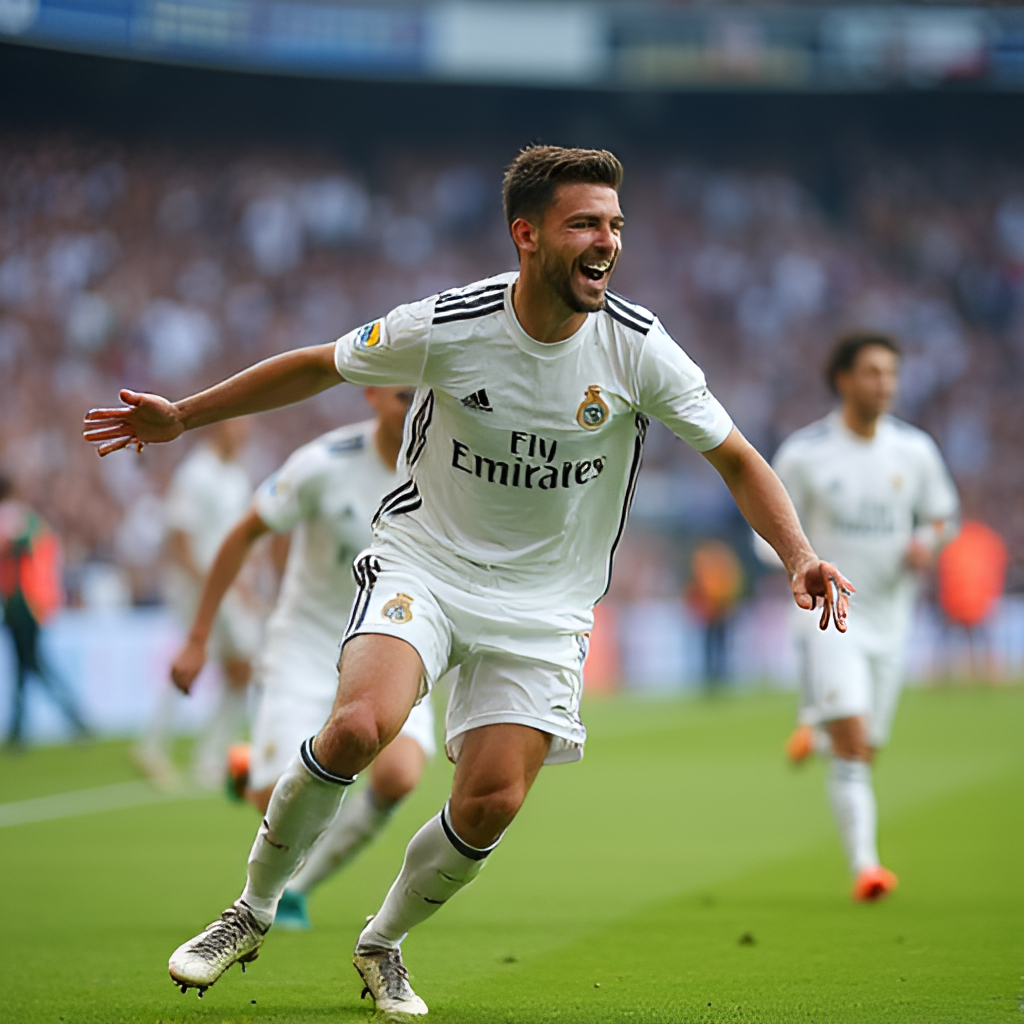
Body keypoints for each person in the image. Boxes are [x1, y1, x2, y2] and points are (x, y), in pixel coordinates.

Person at [84, 145, 851, 1015]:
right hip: (427, 563)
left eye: (616, 226)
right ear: (527, 235)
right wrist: (184, 415)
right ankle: (249, 911)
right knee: (358, 727)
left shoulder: (639, 349)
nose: (608, 242)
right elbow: (317, 364)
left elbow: (738, 458)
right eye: (586, 225)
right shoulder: (449, 323)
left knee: (491, 801)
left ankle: (383, 943)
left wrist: (798, 554)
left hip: (547, 603)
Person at [169, 386, 437, 930]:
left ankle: (296, 888)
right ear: (371, 394)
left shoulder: (449, 471)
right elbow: (245, 533)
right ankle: (253, 773)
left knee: (398, 778)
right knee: (281, 802)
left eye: (422, 397)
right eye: (401, 396)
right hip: (307, 644)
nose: (411, 409)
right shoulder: (324, 463)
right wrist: (198, 637)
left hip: (394, 643)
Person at [762, 332, 958, 902]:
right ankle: (867, 867)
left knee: (864, 748)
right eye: (873, 372)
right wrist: (797, 567)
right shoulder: (805, 453)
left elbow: (945, 517)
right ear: (843, 378)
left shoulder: (915, 451)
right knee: (854, 742)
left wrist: (927, 539)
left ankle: (816, 728)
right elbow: (769, 528)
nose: (885, 384)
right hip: (831, 618)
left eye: (891, 373)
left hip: (892, 623)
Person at [133, 420, 261, 789]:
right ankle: (159, 745)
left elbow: (241, 536)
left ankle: (207, 753)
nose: (244, 432)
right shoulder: (195, 473)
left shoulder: (234, 474)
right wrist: (207, 582)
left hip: (227, 584)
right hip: (201, 586)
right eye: (239, 423)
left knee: (239, 666)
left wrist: (244, 579)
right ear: (220, 426)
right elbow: (179, 535)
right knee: (205, 658)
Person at [0, 472, 89, 746]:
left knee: (31, 665)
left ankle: (62, 718)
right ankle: (36, 724)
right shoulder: (26, 518)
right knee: (29, 666)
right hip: (29, 602)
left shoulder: (12, 519)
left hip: (20, 603)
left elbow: (17, 549)